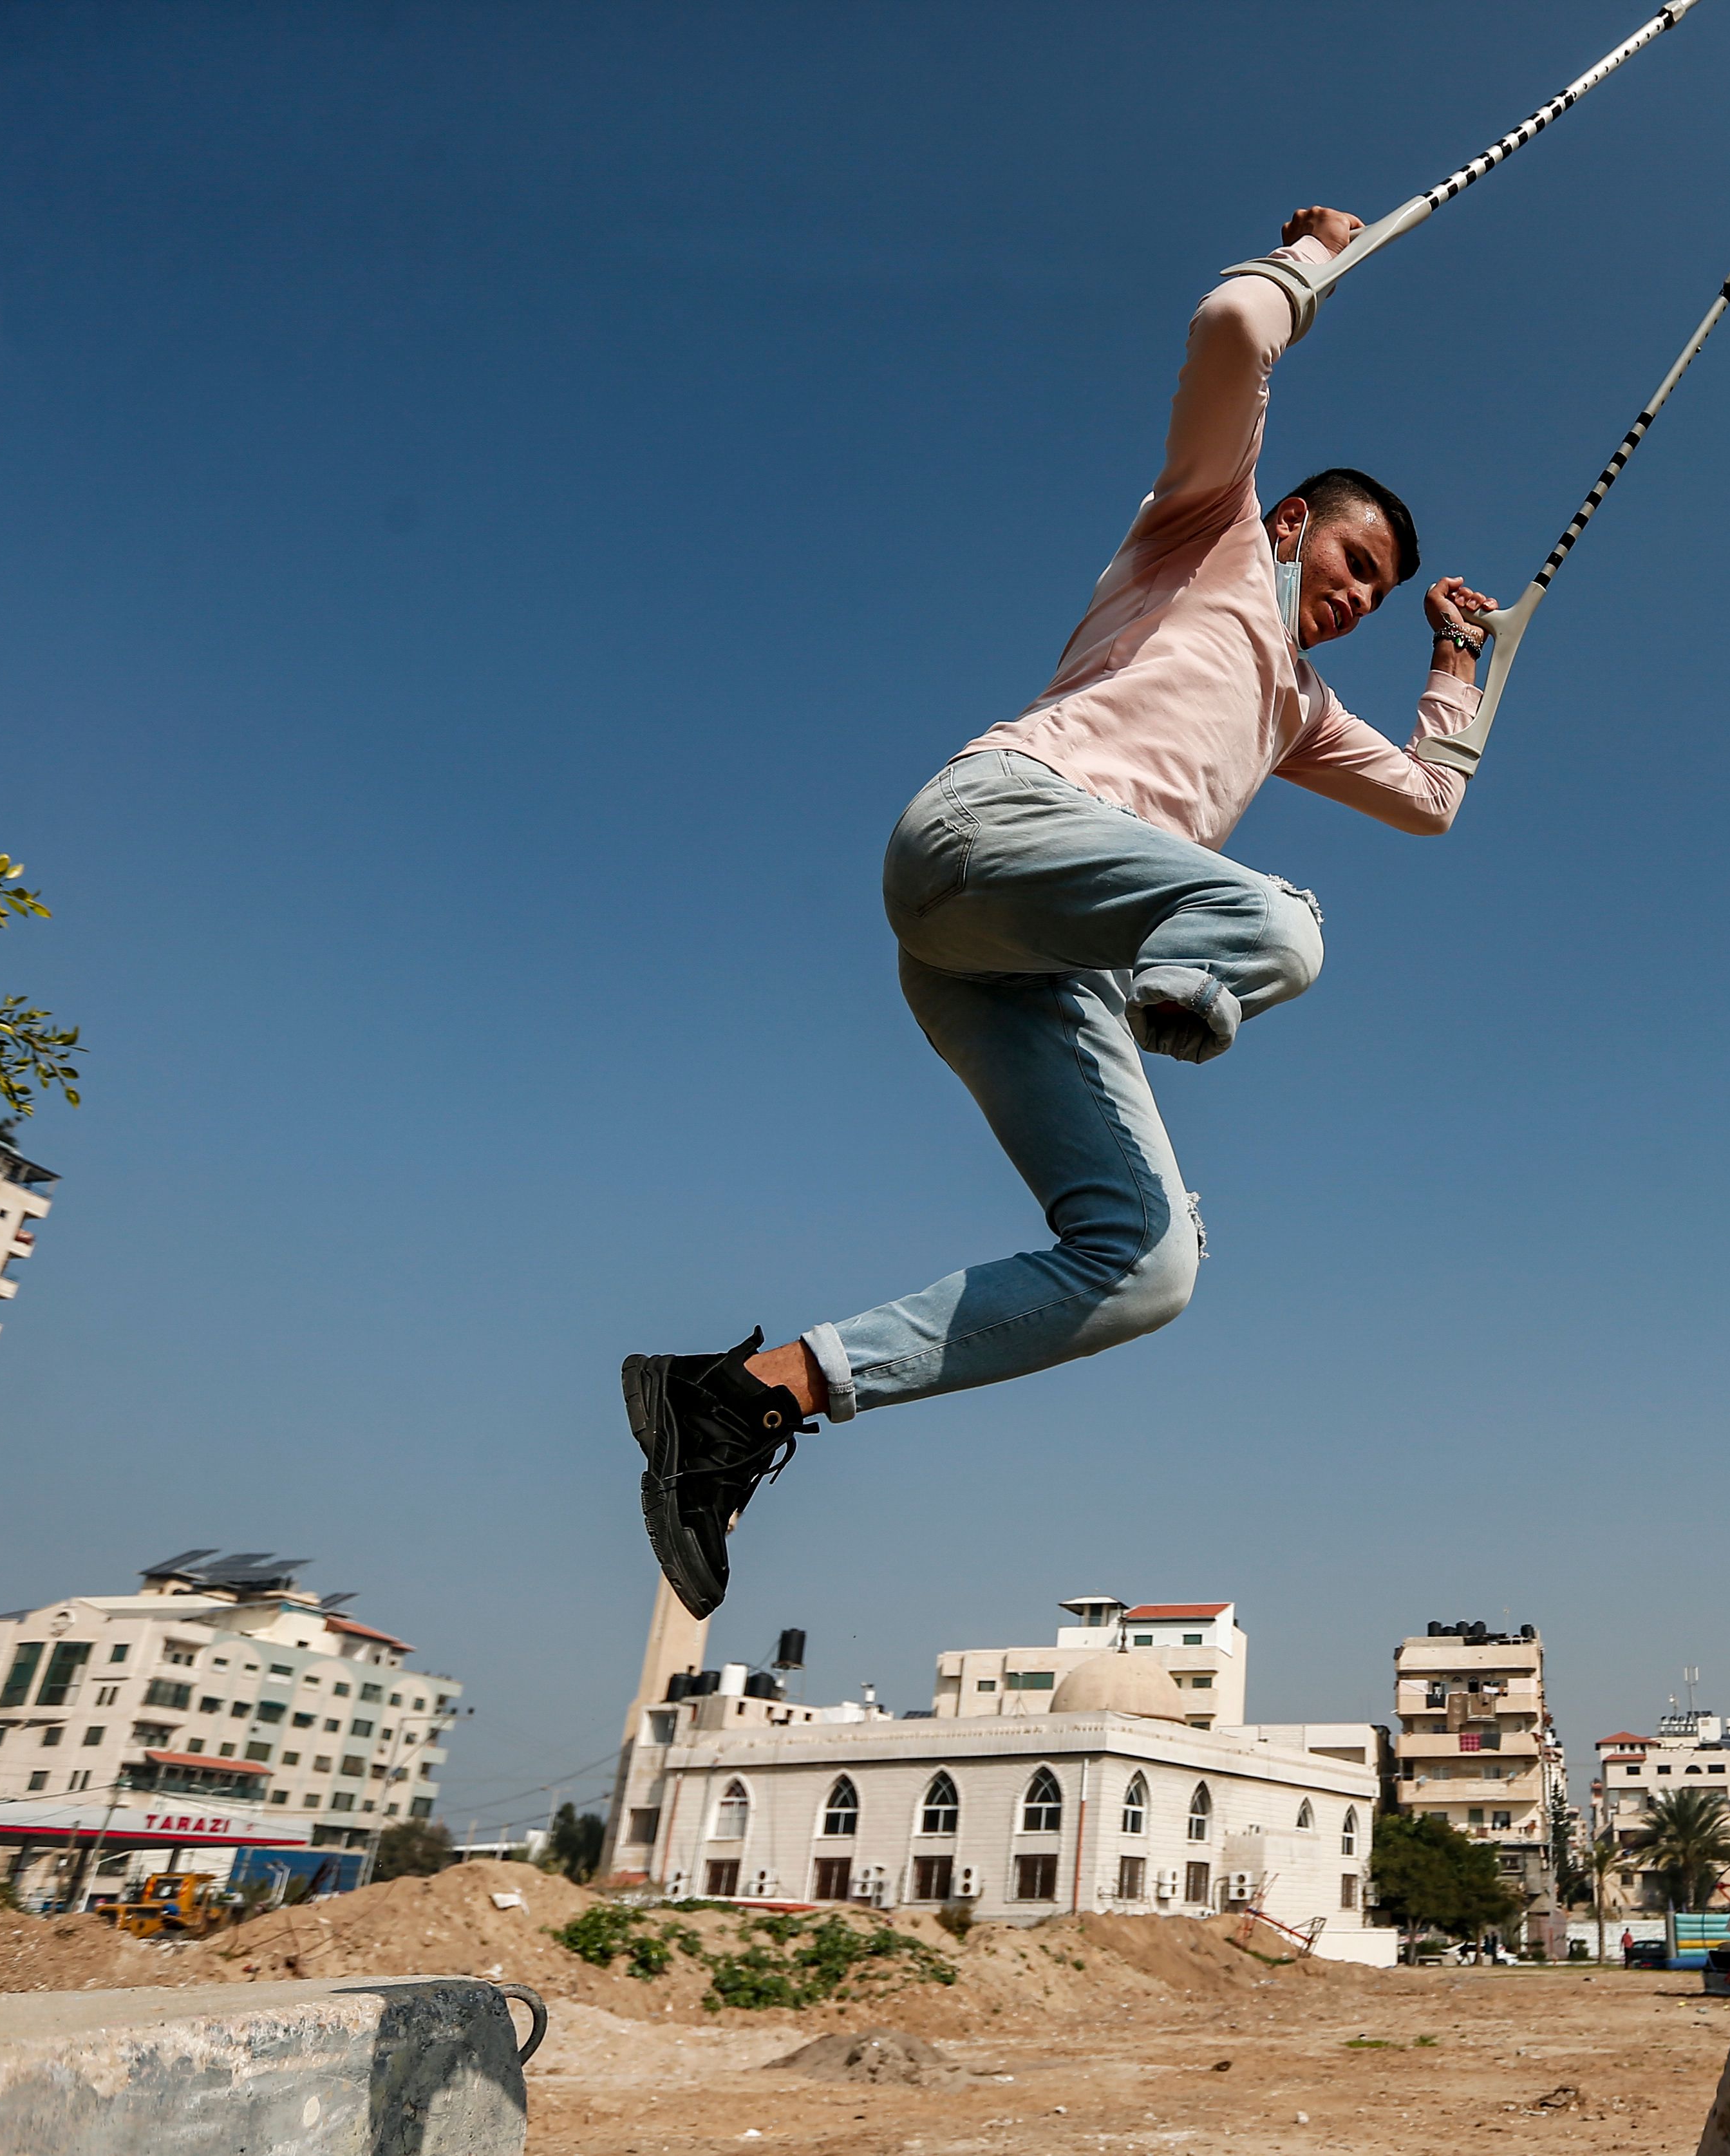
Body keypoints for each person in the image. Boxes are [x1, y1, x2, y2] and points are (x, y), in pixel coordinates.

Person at [625, 205, 1499, 1616]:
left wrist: (1457, 662)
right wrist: (1311, 266)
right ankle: (1192, 996)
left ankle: (743, 1399)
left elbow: (1430, 802)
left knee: (1150, 1269)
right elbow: (1229, 334)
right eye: (1350, 567)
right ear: (1293, 526)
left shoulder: (1304, 709)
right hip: (990, 829)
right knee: (1283, 932)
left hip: (1007, 968)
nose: (1357, 601)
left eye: (1381, 597)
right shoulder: (1208, 535)